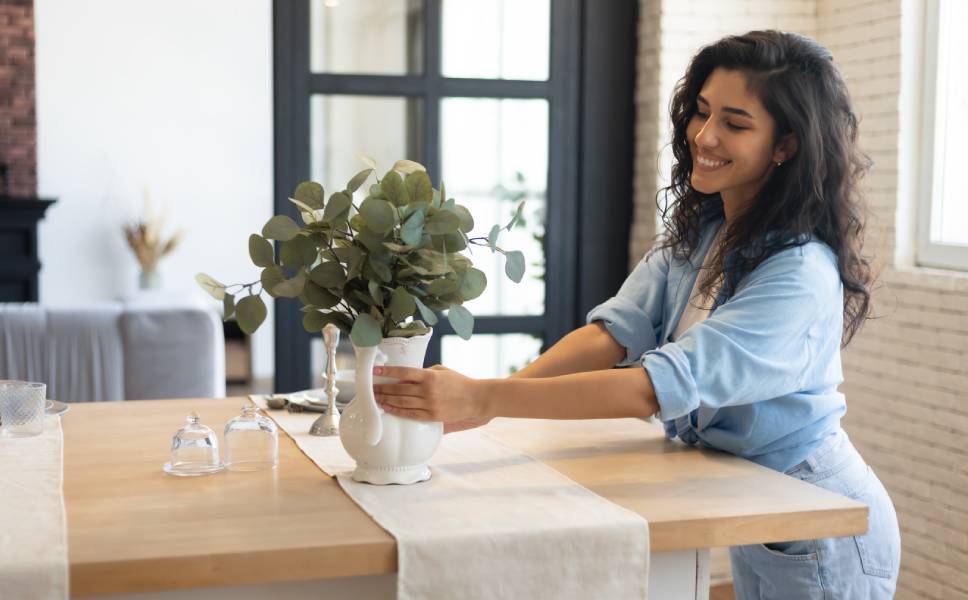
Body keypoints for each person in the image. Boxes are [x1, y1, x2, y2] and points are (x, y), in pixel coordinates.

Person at [373, 30, 900, 599]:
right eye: (701, 112)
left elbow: (655, 388)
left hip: (818, 516)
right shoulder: (705, 233)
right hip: (759, 499)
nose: (705, 135)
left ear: (786, 146)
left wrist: (486, 397)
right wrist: (494, 403)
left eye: (736, 123)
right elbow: (613, 334)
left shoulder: (799, 274)